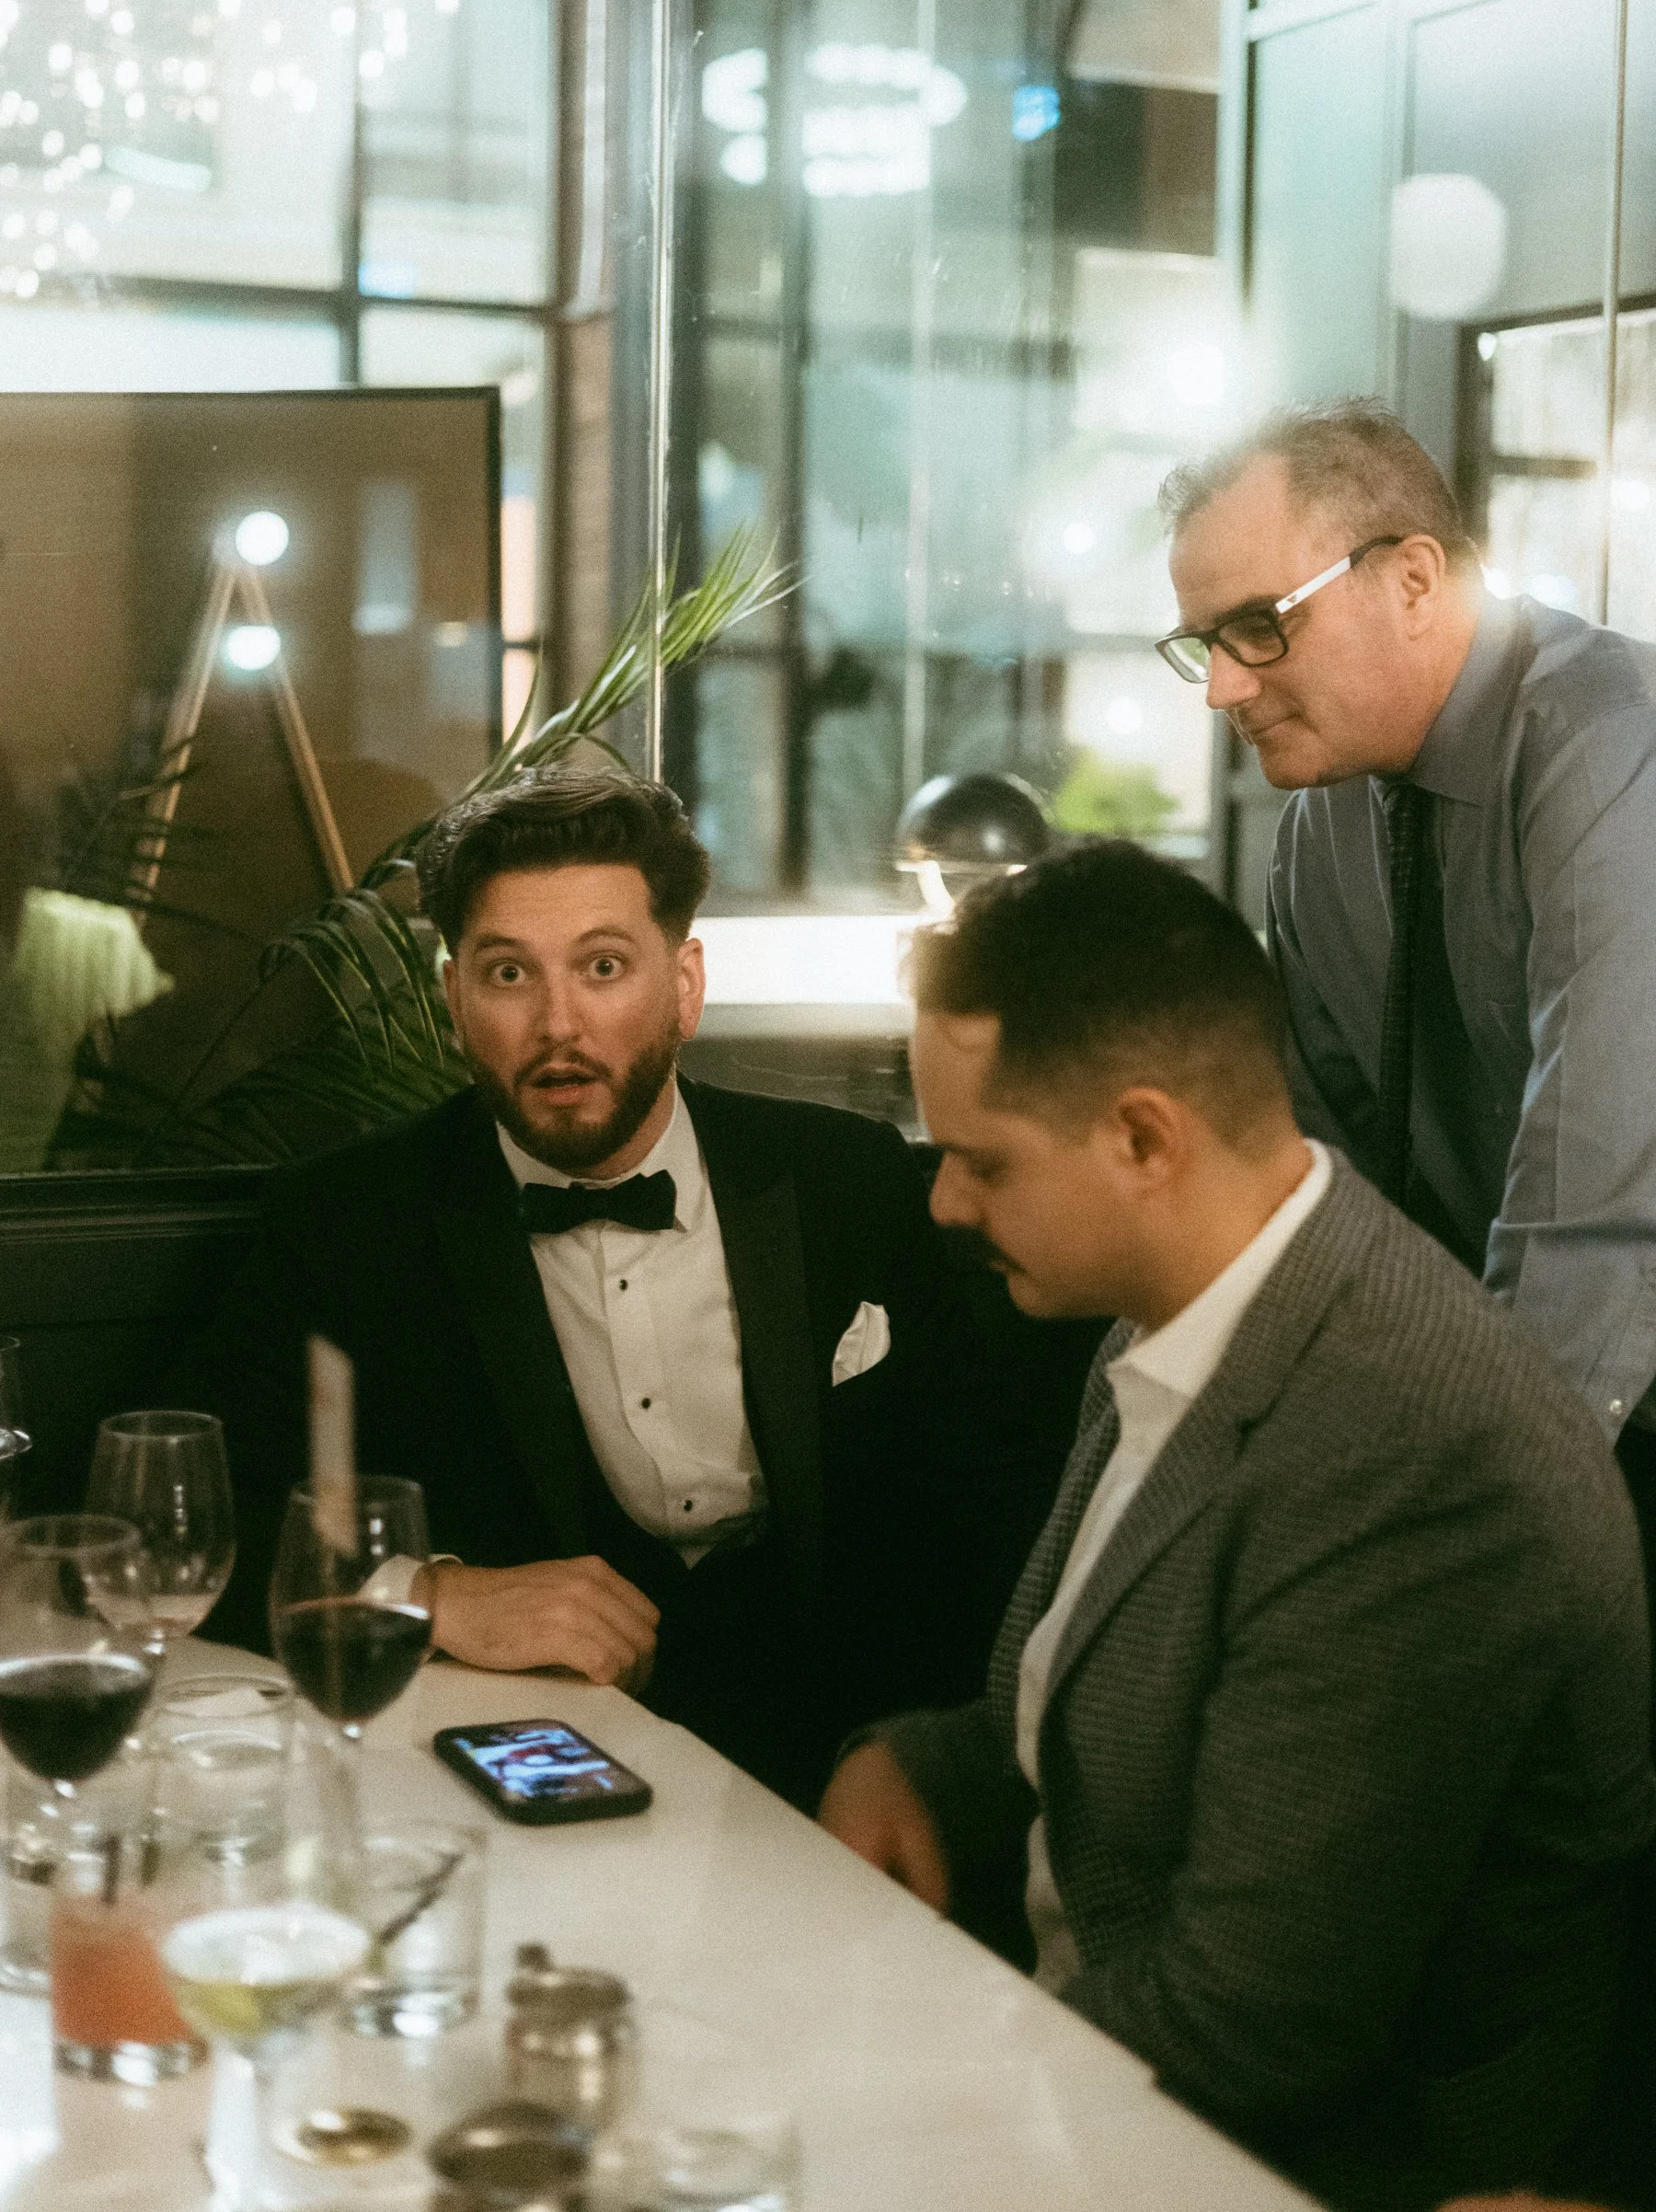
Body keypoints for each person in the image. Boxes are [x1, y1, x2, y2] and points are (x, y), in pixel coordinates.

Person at [818, 842, 1656, 2212]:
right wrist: (921, 1768)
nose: (945, 1203)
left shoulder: (1413, 1454)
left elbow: (1253, 2030)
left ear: (1145, 1140)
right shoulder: (1181, 1297)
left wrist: (866, 2085)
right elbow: (1112, 1708)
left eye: (981, 1161)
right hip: (1100, 2071)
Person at [181, 766, 1088, 1807]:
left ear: (685, 985)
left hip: (844, 1769)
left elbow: (988, 1504)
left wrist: (929, 1761)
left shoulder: (849, 1178)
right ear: (453, 1000)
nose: (558, 1024)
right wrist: (428, 1596)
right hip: (529, 1775)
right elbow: (196, 1525)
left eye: (603, 966)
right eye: (508, 975)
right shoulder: (347, 1220)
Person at [1155, 398, 1656, 1587]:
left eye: (1258, 627)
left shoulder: (1612, 743)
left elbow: (1592, 1203)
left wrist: (1468, 1529)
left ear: (1415, 580)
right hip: (1513, 1389)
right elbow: (1335, 1182)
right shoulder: (1318, 827)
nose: (1222, 689)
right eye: (1202, 644)